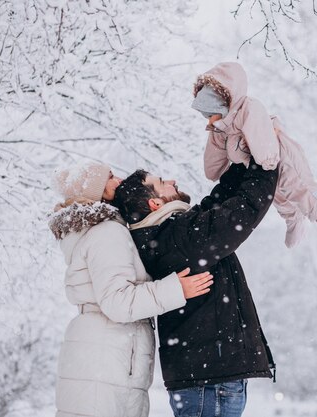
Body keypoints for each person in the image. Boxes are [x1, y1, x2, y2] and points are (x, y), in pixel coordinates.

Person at [112, 159, 278, 417]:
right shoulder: (178, 238)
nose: (172, 181)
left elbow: (218, 203)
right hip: (211, 379)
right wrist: (267, 161)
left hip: (206, 377)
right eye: (161, 183)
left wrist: (245, 160)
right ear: (155, 204)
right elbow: (243, 210)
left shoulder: (168, 236)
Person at [49, 162, 214, 417]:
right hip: (106, 357)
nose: (120, 179)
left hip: (102, 352)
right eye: (111, 177)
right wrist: (174, 289)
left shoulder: (98, 231)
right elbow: (118, 301)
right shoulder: (106, 232)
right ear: (97, 191)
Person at [191, 61, 317, 248]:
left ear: (225, 103)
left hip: (280, 154)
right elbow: (214, 156)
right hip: (260, 166)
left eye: (212, 113)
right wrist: (214, 170)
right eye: (207, 115)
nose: (210, 119)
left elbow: (259, 130)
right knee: (275, 194)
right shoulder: (220, 129)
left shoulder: (249, 108)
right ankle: (293, 218)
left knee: (298, 186)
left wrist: (267, 159)